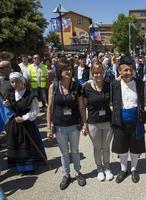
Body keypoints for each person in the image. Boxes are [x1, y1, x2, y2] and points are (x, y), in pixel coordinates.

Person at [46, 58, 87, 190]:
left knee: (75, 151)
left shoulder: (77, 86)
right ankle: (66, 174)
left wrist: (84, 123)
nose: (68, 71)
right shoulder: (53, 86)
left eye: (69, 68)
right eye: (65, 69)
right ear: (59, 71)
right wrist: (48, 127)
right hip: (59, 126)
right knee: (64, 152)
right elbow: (49, 107)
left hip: (74, 124)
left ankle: (78, 172)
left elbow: (81, 107)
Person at [111, 54, 146, 184]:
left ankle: (134, 169)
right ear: (120, 71)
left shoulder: (140, 84)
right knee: (122, 147)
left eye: (131, 70)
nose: (128, 72)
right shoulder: (114, 84)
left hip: (136, 120)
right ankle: (123, 169)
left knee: (135, 147)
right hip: (120, 121)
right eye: (125, 70)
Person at [4, 72, 46, 174]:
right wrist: (7, 105)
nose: (14, 84)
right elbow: (9, 110)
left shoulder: (31, 95)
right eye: (12, 82)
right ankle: (21, 168)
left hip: (27, 124)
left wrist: (23, 118)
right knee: (17, 146)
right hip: (14, 125)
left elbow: (34, 111)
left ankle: (30, 168)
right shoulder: (10, 95)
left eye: (17, 81)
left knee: (28, 146)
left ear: (22, 82)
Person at [83, 62, 113, 181]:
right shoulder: (86, 88)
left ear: (104, 72)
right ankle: (99, 169)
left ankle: (107, 168)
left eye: (100, 72)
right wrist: (84, 123)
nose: (98, 74)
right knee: (97, 147)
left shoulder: (109, 86)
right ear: (92, 73)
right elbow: (83, 106)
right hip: (93, 122)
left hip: (107, 121)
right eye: (95, 72)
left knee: (106, 147)